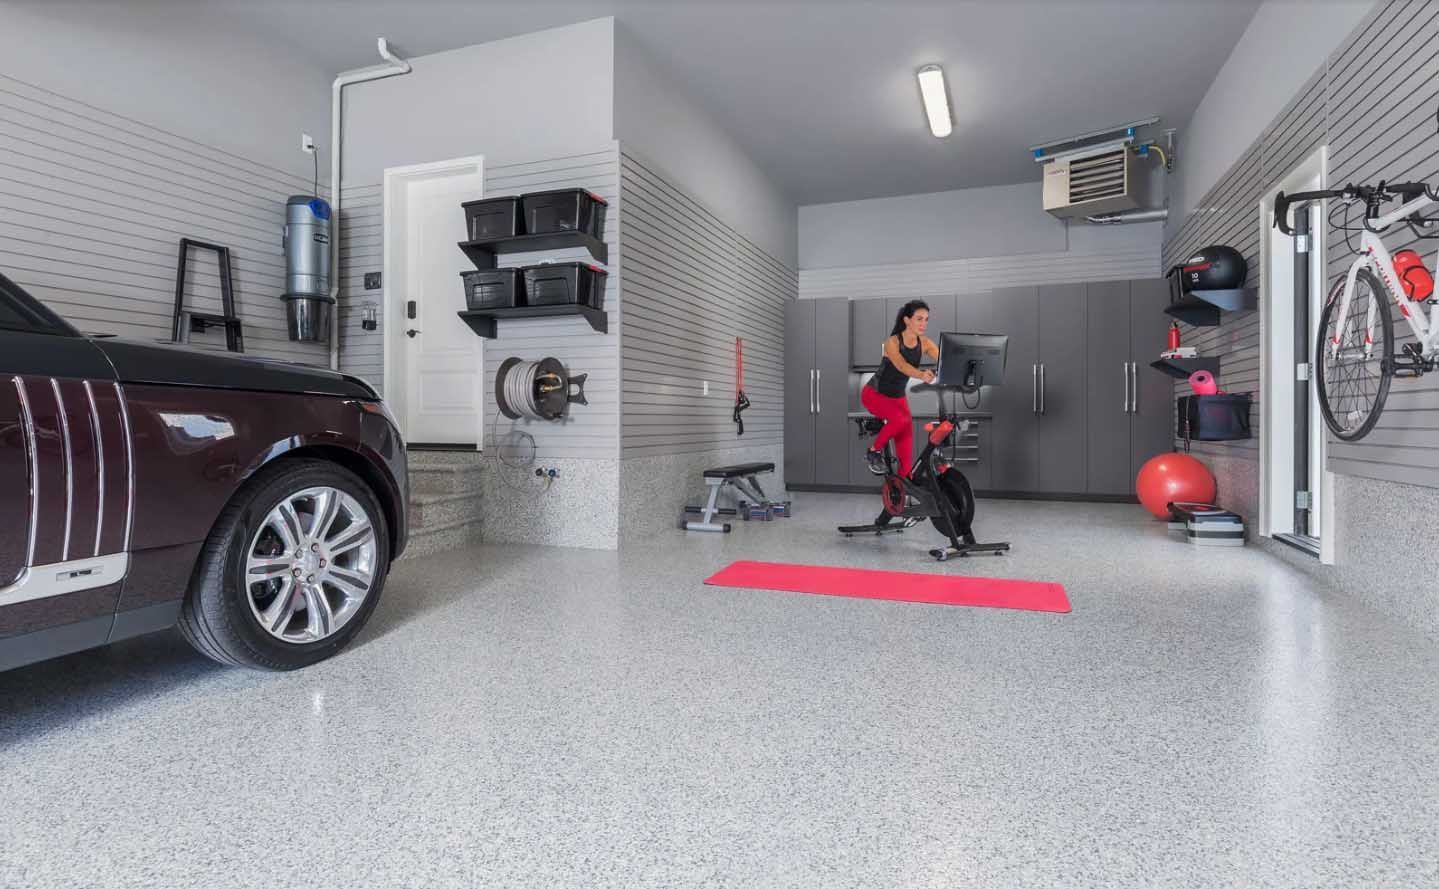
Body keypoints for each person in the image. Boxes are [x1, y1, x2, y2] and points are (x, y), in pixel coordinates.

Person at [861, 300, 939, 478]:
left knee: (906, 440)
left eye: (926, 319)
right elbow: (901, 366)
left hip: (898, 397)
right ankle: (873, 451)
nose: (924, 323)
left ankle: (904, 483)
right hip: (874, 394)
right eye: (919, 319)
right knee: (900, 419)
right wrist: (921, 375)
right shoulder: (892, 342)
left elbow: (943, 359)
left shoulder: (925, 343)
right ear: (907, 320)